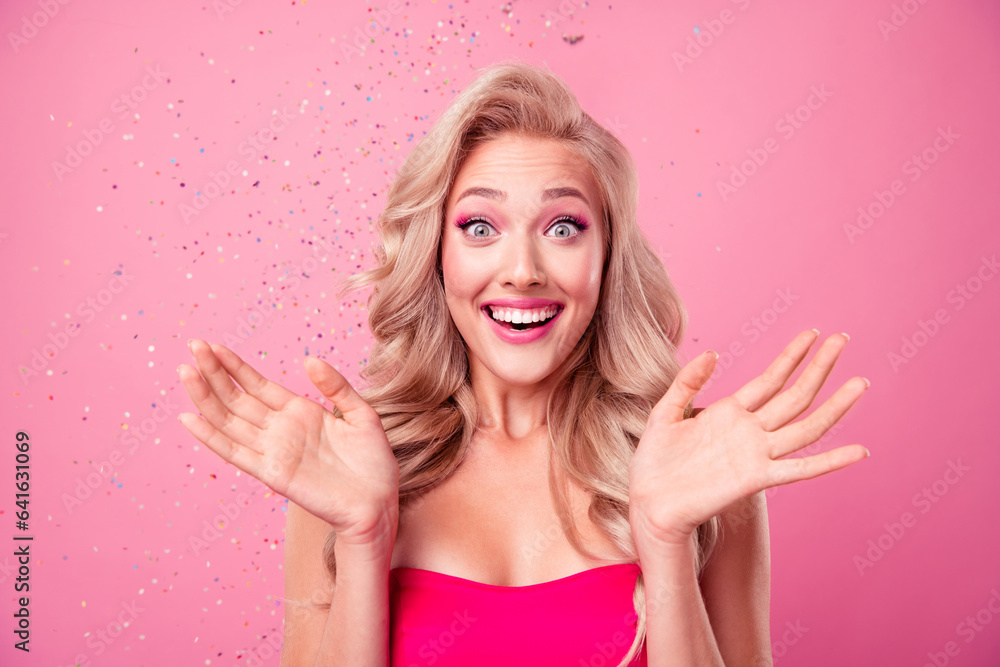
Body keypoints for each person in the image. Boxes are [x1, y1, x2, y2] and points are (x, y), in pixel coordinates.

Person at [176, 59, 870, 666]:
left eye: (563, 227)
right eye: (480, 227)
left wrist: (665, 541)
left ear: (606, 261)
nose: (522, 270)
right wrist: (363, 535)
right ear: (437, 257)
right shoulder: (346, 469)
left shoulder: (701, 467)